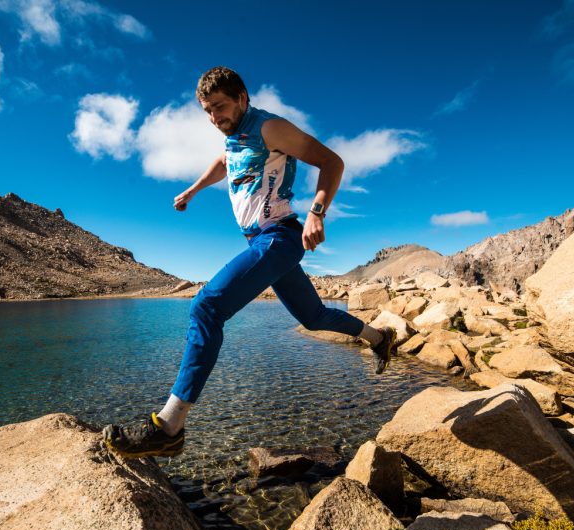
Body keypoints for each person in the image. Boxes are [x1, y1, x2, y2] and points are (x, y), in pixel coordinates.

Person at [103, 66, 395, 458]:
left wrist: (317, 212)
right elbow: (224, 163)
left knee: (206, 306)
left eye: (220, 107)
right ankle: (380, 338)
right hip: (264, 240)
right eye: (207, 111)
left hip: (279, 237)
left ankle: (169, 426)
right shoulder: (232, 138)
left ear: (243, 97)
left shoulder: (270, 128)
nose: (213, 118)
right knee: (313, 318)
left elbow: (332, 162)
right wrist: (191, 190)